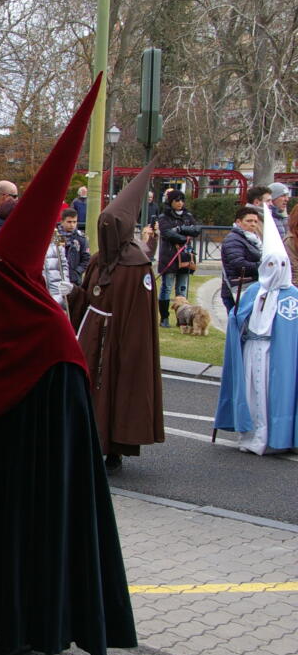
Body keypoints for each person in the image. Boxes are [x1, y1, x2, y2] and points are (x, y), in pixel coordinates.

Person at [0, 77, 135, 655]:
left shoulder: (47, 340)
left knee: (31, 525)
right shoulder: (12, 328)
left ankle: (27, 624)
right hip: (8, 476)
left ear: (15, 278)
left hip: (31, 485)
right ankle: (5, 617)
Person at [70, 163, 166, 474]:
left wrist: (126, 347)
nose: (106, 234)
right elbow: (89, 296)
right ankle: (83, 443)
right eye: (103, 228)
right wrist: (70, 293)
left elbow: (139, 317)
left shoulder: (137, 266)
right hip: (90, 337)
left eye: (112, 228)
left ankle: (114, 449)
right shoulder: (99, 260)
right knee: (84, 390)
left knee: (116, 392)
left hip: (119, 341)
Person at [214, 208, 298, 455]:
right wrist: (236, 319)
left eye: (280, 264)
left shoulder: (292, 296)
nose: (276, 269)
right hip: (253, 349)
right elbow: (238, 318)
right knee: (253, 393)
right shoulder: (254, 292)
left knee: (276, 395)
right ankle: (252, 435)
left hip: (279, 354)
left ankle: (277, 437)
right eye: (270, 264)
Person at [156, 189, 200, 327]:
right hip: (169, 256)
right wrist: (184, 236)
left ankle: (182, 319)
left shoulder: (188, 215)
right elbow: (167, 233)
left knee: (182, 288)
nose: (180, 203)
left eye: (182, 200)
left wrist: (180, 229)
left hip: (185, 256)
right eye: (177, 200)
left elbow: (196, 230)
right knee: (167, 288)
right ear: (171, 201)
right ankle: (164, 317)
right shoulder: (164, 217)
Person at [220, 206, 262, 312]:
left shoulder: (252, 239)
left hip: (248, 287)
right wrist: (263, 265)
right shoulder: (233, 239)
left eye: (255, 221)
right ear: (238, 222)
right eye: (249, 221)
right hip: (238, 289)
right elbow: (238, 264)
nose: (253, 224)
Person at [58, 208, 90, 285]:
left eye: (74, 222)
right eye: (69, 222)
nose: (72, 225)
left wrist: (77, 271)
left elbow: (86, 259)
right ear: (62, 221)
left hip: (74, 280)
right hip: (56, 277)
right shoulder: (54, 237)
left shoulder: (81, 238)